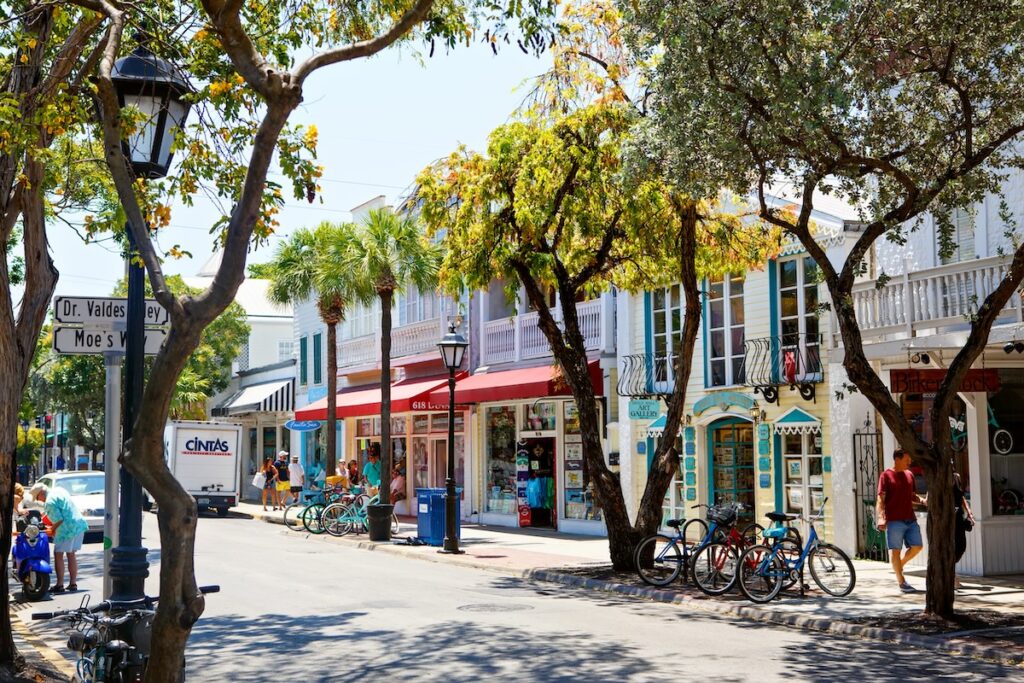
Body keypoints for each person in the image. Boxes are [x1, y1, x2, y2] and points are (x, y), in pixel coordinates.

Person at [876, 448, 927, 592]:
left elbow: (913, 496)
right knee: (895, 552)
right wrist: (881, 517)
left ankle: (899, 565)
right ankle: (902, 582)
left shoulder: (910, 475)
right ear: (897, 459)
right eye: (907, 460)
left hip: (910, 518)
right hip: (894, 520)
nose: (910, 462)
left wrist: (923, 501)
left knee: (918, 546)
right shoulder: (886, 475)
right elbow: (880, 498)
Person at [29, 482, 87, 593]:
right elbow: (63, 508)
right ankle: (73, 583)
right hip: (78, 524)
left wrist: (52, 529)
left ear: (41, 493)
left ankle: (60, 584)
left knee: (58, 554)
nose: (39, 500)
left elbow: (59, 520)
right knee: (71, 554)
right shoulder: (59, 490)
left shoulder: (49, 502)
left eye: (37, 497)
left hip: (67, 528)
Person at [953, 472, 976, 589]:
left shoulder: (956, 477)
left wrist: (969, 513)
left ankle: (951, 574)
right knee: (950, 548)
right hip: (946, 521)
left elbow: (962, 497)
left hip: (958, 518)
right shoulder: (939, 478)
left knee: (961, 546)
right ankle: (952, 577)